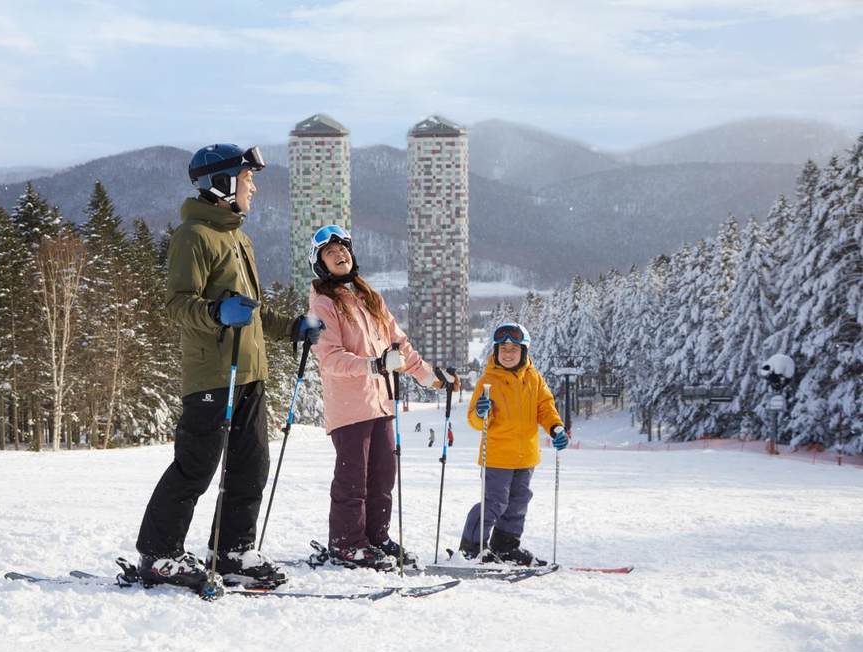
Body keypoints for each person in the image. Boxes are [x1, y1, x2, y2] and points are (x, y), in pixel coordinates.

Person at [134, 144, 324, 589]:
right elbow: (178, 305)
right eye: (246, 178)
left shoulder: (239, 238)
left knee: (251, 465)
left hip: (250, 372)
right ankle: (159, 553)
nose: (253, 187)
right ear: (220, 184)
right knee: (196, 465)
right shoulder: (194, 235)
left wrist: (293, 326)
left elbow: (251, 313)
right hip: (214, 374)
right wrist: (217, 314)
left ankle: (232, 551)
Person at [308, 224, 459, 569]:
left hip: (381, 403)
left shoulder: (369, 298)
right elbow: (330, 358)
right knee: (353, 477)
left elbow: (400, 346)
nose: (340, 255)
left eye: (343, 249)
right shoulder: (323, 304)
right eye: (330, 253)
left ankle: (376, 537)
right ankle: (347, 543)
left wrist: (431, 377)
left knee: (382, 474)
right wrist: (374, 365)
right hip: (350, 407)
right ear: (320, 264)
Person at [458, 322, 567, 565]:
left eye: (514, 349)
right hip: (498, 455)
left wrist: (555, 426)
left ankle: (505, 547)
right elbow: (474, 421)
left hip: (526, 456)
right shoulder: (488, 380)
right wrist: (480, 411)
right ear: (496, 351)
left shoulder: (534, 378)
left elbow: (545, 407)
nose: (508, 354)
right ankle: (470, 548)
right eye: (503, 349)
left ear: (524, 352)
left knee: (518, 504)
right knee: (494, 503)